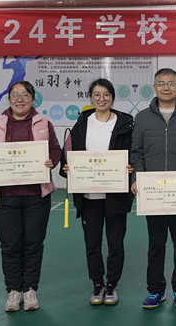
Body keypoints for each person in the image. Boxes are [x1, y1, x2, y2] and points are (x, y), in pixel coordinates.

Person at [0, 80, 62, 312]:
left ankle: (30, 289)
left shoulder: (43, 123)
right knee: (10, 245)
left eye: (25, 95)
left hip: (36, 195)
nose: (20, 99)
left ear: (33, 98)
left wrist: (52, 161)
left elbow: (55, 149)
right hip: (5, 196)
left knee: (33, 244)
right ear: (9, 99)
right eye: (15, 95)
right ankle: (14, 290)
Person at [129, 68, 176, 311]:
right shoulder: (142, 118)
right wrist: (138, 178)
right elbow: (137, 152)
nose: (166, 87)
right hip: (153, 193)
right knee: (156, 243)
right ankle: (155, 290)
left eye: (171, 83)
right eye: (161, 83)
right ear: (154, 87)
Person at [60, 78, 135, 306]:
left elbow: (134, 153)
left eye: (106, 94)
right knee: (92, 244)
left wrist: (131, 167)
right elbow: (68, 154)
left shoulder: (126, 124)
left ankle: (112, 285)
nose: (101, 99)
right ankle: (97, 284)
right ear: (91, 98)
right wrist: (67, 166)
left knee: (115, 244)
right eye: (97, 95)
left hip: (116, 195)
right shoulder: (82, 123)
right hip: (89, 197)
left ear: (112, 97)